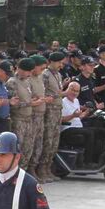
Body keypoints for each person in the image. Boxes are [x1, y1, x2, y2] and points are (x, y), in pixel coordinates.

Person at [7, 58, 39, 170]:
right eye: (27, 71)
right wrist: (31, 103)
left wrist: (33, 100)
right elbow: (13, 104)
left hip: (28, 119)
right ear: (19, 69)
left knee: (28, 149)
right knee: (18, 149)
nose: (30, 74)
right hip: (18, 120)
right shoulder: (12, 82)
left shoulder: (27, 81)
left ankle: (23, 173)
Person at [40, 52, 64, 181]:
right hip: (49, 110)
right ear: (52, 62)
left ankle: (48, 168)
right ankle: (42, 169)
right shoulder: (45, 74)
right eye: (59, 62)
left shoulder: (58, 75)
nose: (61, 65)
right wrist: (62, 94)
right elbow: (44, 94)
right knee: (48, 140)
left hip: (57, 110)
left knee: (54, 141)